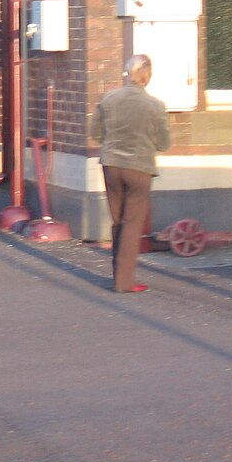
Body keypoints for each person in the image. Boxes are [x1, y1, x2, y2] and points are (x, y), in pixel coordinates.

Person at [92, 54, 171, 293]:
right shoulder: (155, 106)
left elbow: (95, 134)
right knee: (132, 223)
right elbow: (164, 143)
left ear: (127, 73)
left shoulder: (108, 99)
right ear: (148, 77)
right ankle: (124, 282)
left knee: (118, 221)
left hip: (111, 164)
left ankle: (118, 275)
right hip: (139, 168)